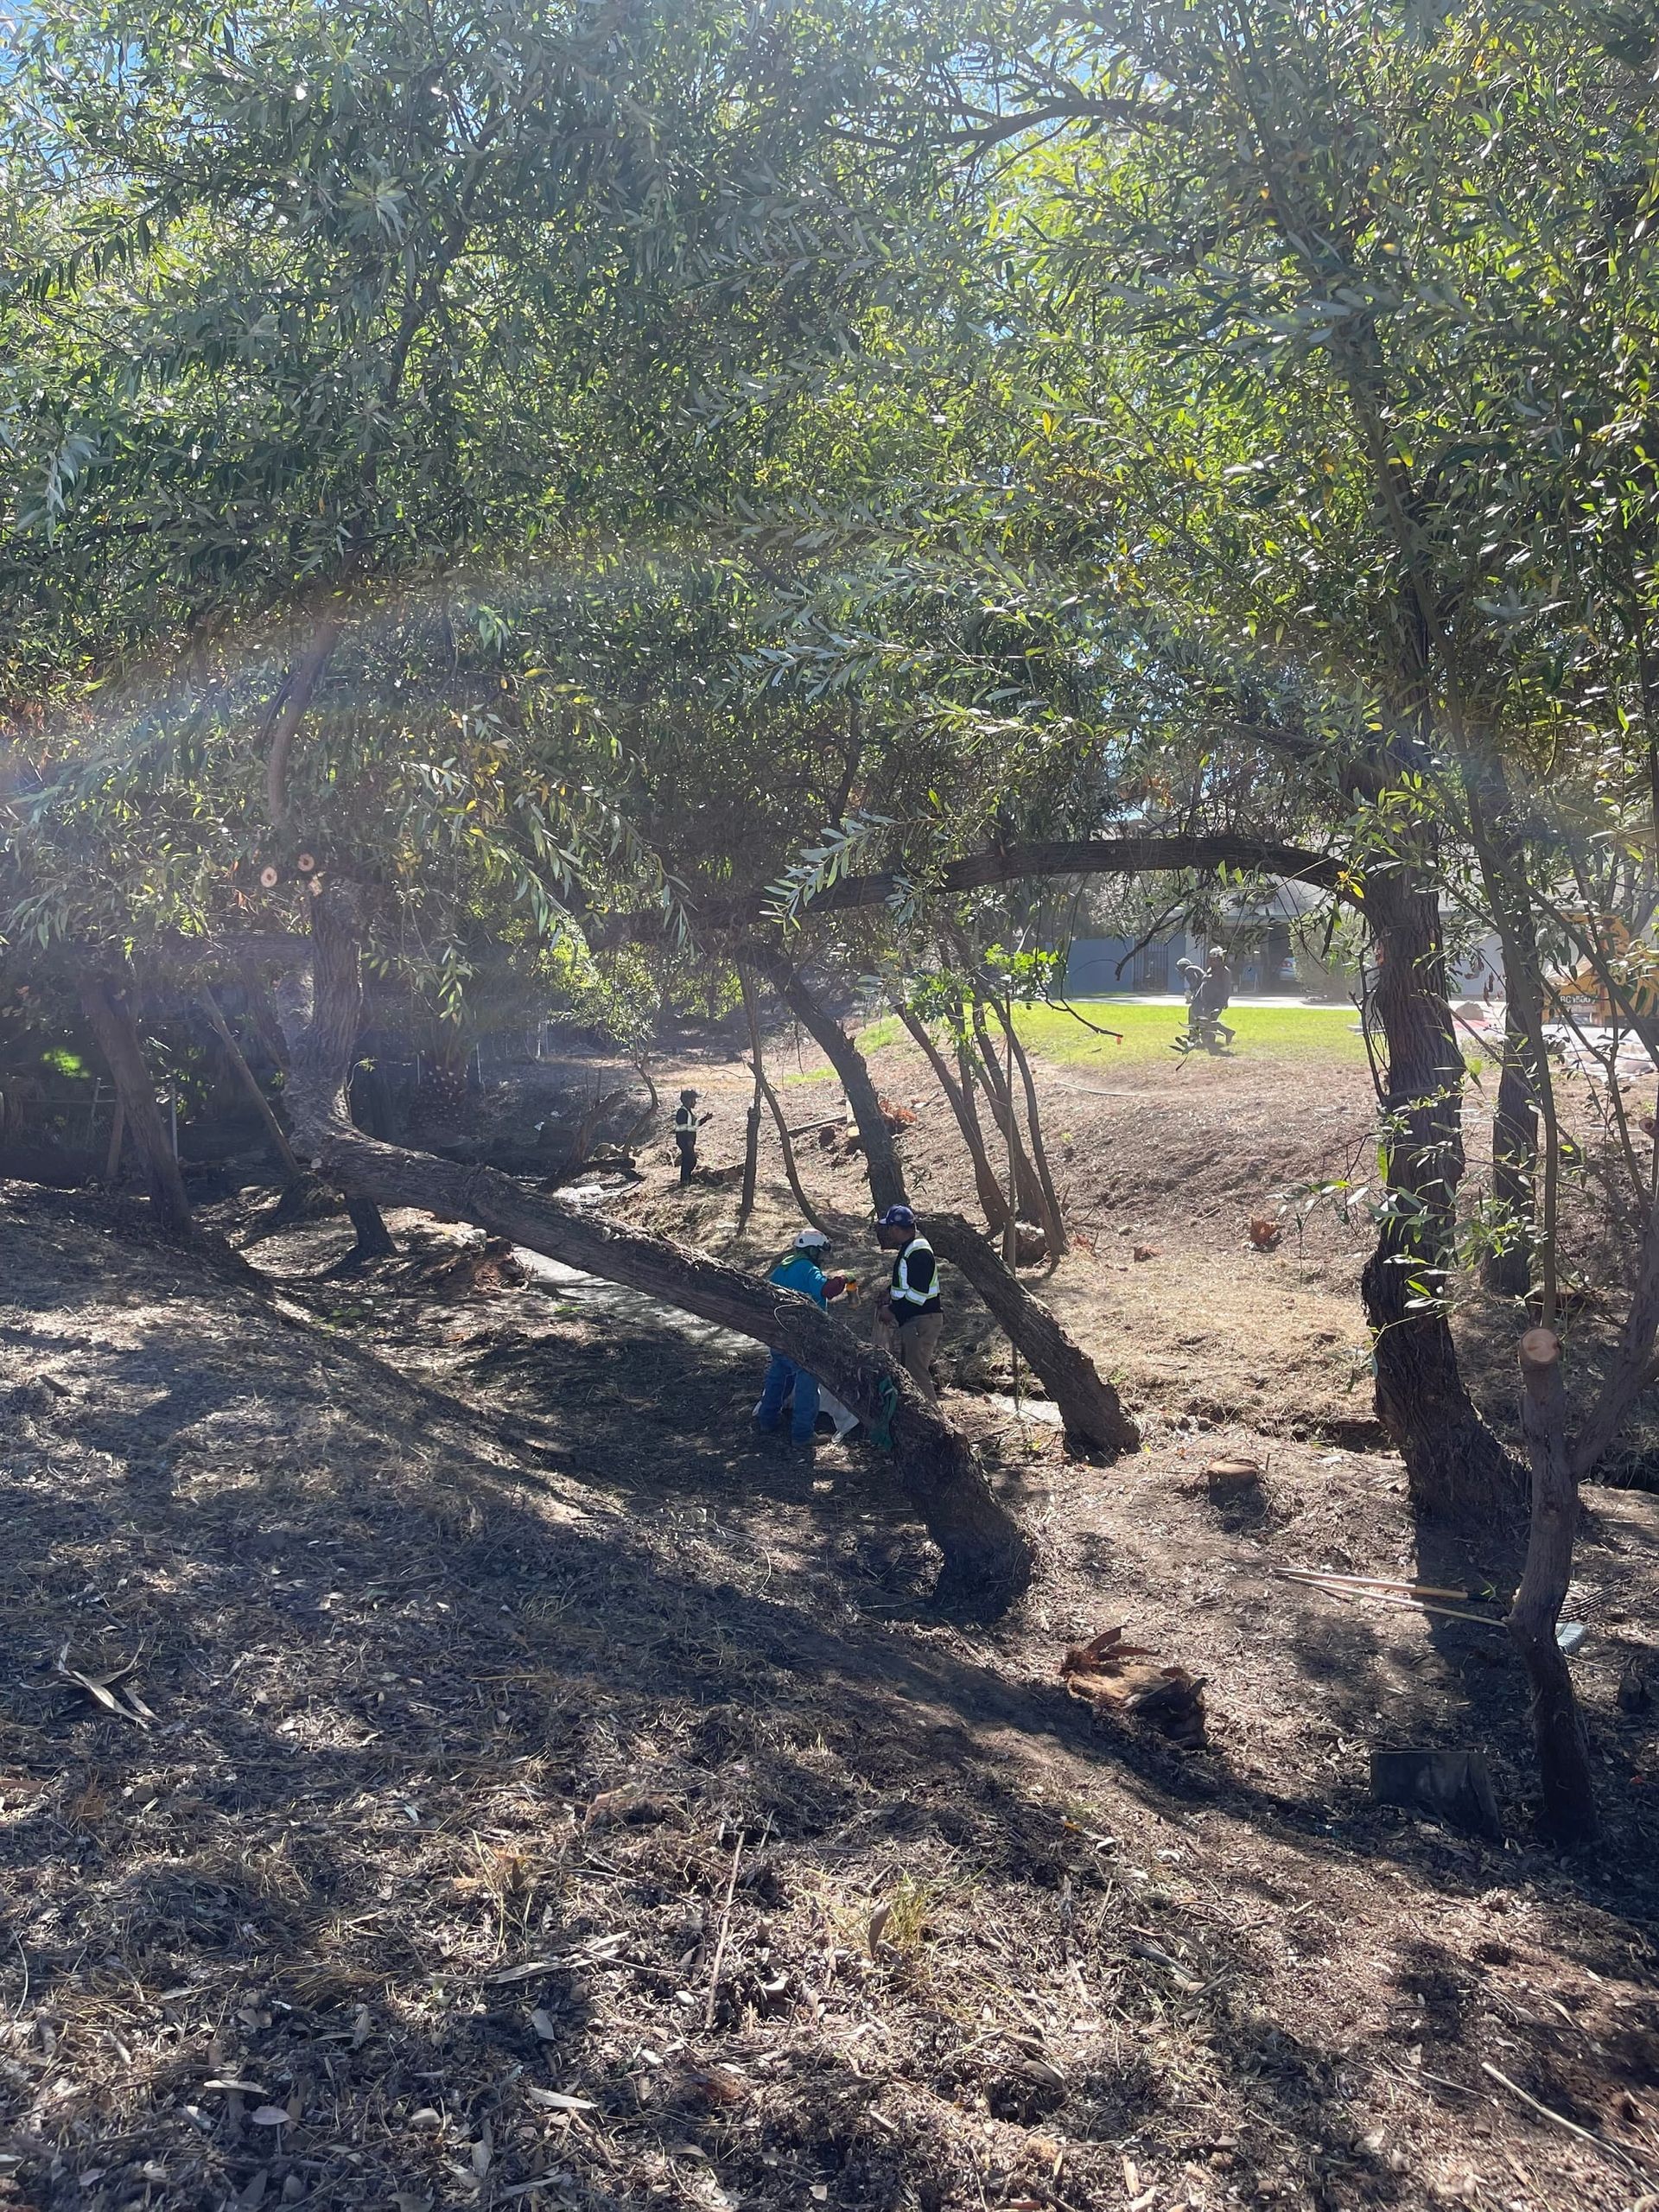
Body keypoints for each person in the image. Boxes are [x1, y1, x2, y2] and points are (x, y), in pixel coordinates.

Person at [754, 1229, 848, 1445]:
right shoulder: (807, 1268)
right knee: (807, 1385)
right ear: (813, 1250)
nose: (821, 1258)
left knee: (778, 1378)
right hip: (804, 1338)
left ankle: (767, 1420)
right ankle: (802, 1434)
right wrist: (843, 1279)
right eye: (820, 1253)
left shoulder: (783, 1266)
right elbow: (827, 1290)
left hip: (779, 1334)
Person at [874, 1203, 943, 1403]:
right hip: (917, 1319)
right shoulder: (911, 1247)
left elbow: (918, 1295)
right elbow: (907, 1281)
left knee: (917, 1374)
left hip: (921, 1321)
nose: (888, 1233)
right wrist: (889, 1292)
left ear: (896, 1229)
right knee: (912, 1371)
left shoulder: (918, 1252)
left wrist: (892, 1311)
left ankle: (935, 1424)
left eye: (889, 1228)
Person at [672, 1087, 709, 1183]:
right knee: (690, 1160)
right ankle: (685, 1180)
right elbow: (683, 1129)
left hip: (688, 1141)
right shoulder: (682, 1112)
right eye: (693, 1100)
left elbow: (695, 1124)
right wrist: (688, 1140)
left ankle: (686, 1179)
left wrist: (705, 1119)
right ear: (687, 1101)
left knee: (689, 1160)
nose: (695, 1102)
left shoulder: (688, 1112)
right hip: (684, 1140)